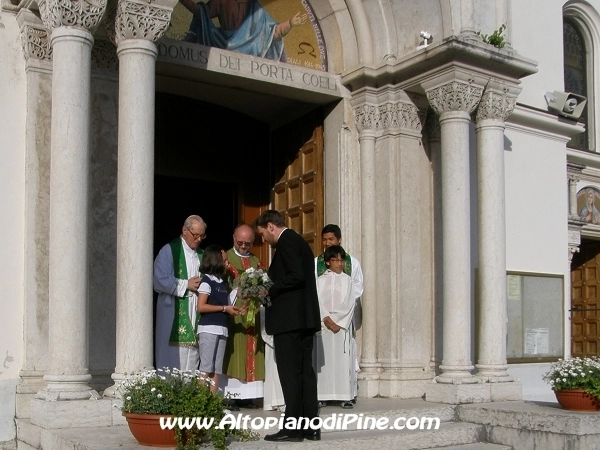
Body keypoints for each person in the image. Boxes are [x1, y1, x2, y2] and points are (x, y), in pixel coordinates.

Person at [254, 210, 321, 442]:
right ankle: (310, 427)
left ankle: (293, 429)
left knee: (291, 375)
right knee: (304, 374)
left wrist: (268, 289)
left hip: (290, 321)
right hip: (302, 320)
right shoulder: (297, 241)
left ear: (270, 226)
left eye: (263, 234)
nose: (264, 239)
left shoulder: (287, 241)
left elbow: (296, 275)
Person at [314, 224, 364, 402]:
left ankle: (346, 394)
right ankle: (323, 394)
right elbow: (314, 293)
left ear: (339, 239)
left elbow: (357, 290)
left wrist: (339, 318)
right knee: (324, 359)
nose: (327, 243)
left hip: (344, 320)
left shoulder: (352, 263)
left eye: (331, 239)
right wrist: (326, 317)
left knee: (344, 358)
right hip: (323, 321)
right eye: (324, 240)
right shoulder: (316, 263)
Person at [153, 215, 206, 371]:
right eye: (195, 235)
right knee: (171, 359)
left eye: (202, 236)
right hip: (172, 313)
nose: (199, 239)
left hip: (195, 310)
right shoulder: (169, 251)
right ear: (184, 230)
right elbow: (159, 279)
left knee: (192, 357)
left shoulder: (202, 255)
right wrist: (186, 284)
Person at [221, 224, 265, 407]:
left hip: (253, 312)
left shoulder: (256, 261)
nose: (244, 247)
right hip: (234, 312)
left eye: (248, 244)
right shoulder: (225, 258)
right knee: (235, 350)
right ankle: (231, 394)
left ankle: (249, 396)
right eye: (240, 243)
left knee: (253, 349)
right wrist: (235, 293)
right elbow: (218, 284)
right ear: (233, 238)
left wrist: (260, 291)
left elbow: (263, 283)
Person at [178, 0, 307, 62]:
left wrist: (290, 23)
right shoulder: (222, 1)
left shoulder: (255, 8)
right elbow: (202, 13)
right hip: (221, 43)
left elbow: (273, 32)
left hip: (250, 52)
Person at [197, 244, 240, 392]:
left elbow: (226, 304)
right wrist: (224, 308)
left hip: (222, 329)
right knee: (206, 367)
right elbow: (201, 306)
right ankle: (200, 400)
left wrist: (234, 302)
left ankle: (213, 400)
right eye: (225, 261)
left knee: (216, 368)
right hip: (209, 329)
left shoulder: (221, 283)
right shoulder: (206, 281)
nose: (227, 264)